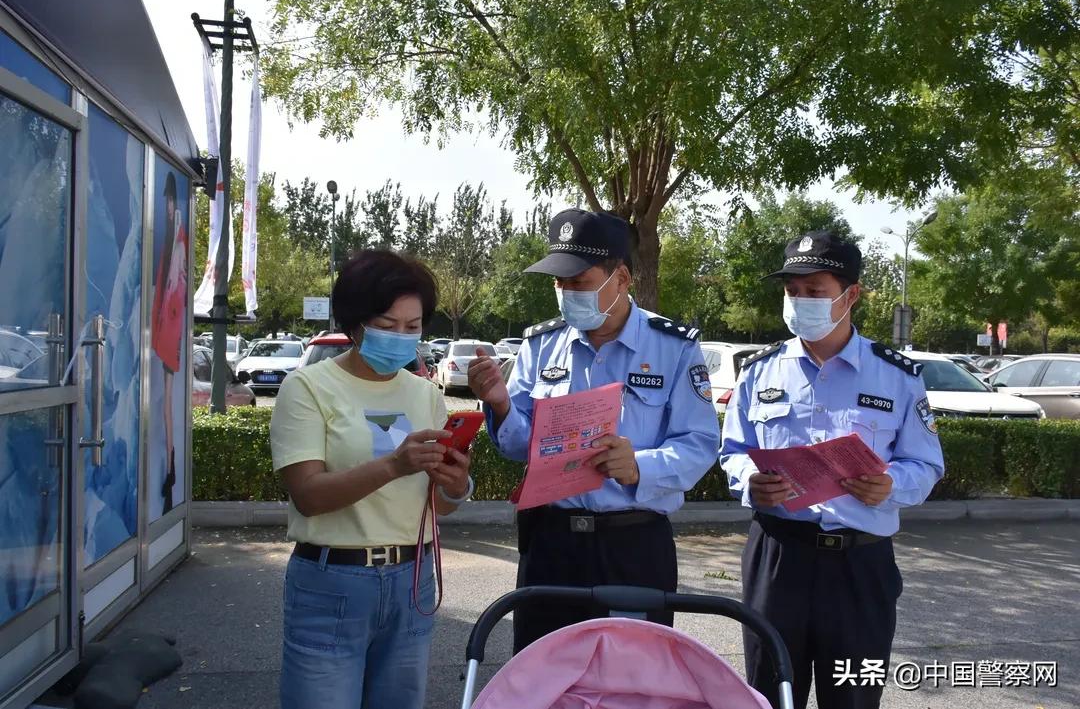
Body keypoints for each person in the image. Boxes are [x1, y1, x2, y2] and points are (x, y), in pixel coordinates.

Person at [468, 208, 721, 653]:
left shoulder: (673, 347)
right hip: (551, 544)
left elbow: (699, 443)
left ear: (621, 278)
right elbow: (519, 446)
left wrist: (639, 466)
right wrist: (501, 404)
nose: (567, 293)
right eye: (559, 283)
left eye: (579, 282)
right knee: (544, 672)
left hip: (632, 545)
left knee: (628, 676)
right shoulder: (541, 344)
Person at [720, 232, 945, 709]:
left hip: (859, 566)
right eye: (792, 291)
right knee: (769, 692)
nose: (800, 301)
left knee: (853, 697)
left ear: (851, 295)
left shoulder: (897, 376)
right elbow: (733, 451)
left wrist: (890, 485)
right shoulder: (759, 370)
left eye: (814, 291)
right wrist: (750, 482)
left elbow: (926, 464)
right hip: (779, 557)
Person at [270, 250, 473, 709]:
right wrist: (393, 465)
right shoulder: (308, 387)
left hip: (412, 579)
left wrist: (456, 483)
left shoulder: (425, 393)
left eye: (412, 326)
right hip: (332, 582)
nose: (401, 336)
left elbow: (438, 505)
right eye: (387, 324)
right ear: (356, 323)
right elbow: (308, 495)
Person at [150, 172, 187, 515]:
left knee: (167, 400)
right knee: (165, 401)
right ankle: (170, 468)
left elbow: (175, 285)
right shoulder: (170, 235)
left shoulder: (177, 237)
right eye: (167, 200)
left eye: (171, 200)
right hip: (165, 325)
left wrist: (166, 322)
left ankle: (171, 467)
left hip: (169, 327)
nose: (169, 206)